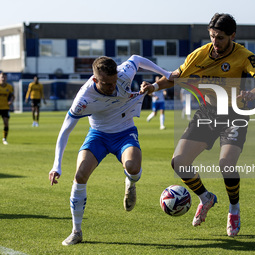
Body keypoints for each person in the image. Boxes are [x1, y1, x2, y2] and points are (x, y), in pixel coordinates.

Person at [140, 13, 255, 237]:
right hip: (208, 113)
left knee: (226, 164)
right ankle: (206, 198)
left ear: (232, 35)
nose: (215, 42)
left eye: (220, 37)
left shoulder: (244, 55)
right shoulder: (199, 55)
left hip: (235, 115)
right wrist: (153, 87)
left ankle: (234, 209)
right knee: (179, 162)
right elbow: (175, 76)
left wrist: (252, 92)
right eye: (212, 36)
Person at [48, 55, 172, 246]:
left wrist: (165, 73)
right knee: (80, 175)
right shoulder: (83, 98)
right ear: (95, 80)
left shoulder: (123, 73)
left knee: (132, 166)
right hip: (98, 135)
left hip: (125, 131)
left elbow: (137, 59)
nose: (112, 86)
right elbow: (65, 131)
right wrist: (56, 165)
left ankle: (130, 183)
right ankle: (76, 231)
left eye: (114, 82)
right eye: (106, 84)